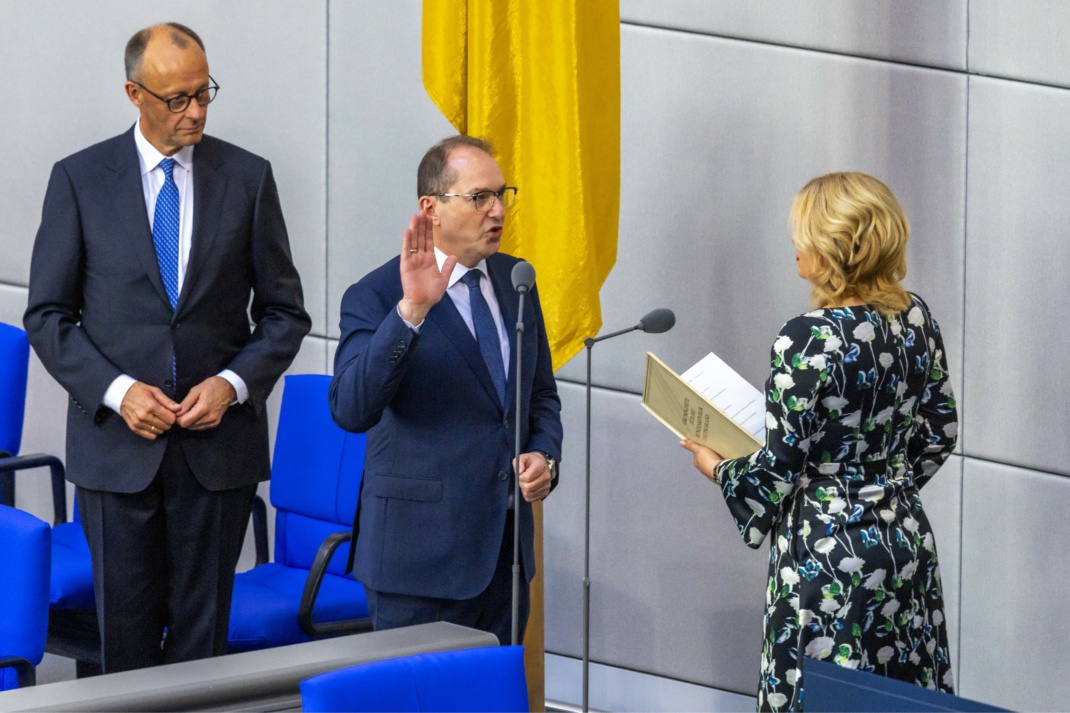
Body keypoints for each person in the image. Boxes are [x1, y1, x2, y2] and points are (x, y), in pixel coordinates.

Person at [23, 23, 310, 672]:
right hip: (116, 452)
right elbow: (47, 315)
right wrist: (119, 392)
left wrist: (233, 384)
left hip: (217, 456)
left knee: (201, 649)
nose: (197, 111)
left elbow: (284, 314)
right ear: (134, 93)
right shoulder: (79, 180)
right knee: (122, 648)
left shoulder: (248, 179)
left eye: (204, 92)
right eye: (178, 98)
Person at [680, 173, 957, 711]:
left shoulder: (807, 337)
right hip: (904, 544)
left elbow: (779, 471)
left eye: (801, 232)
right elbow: (940, 432)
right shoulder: (916, 316)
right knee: (900, 700)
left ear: (834, 247)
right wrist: (880, 489)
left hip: (826, 555)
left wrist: (717, 467)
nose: (794, 243)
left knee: (821, 696)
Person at [329, 135, 563, 645]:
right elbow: (351, 408)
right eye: (480, 197)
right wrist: (410, 313)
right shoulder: (376, 295)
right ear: (430, 208)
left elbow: (540, 395)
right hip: (417, 565)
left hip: (504, 557)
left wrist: (545, 454)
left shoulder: (516, 279)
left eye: (503, 194)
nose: (498, 210)